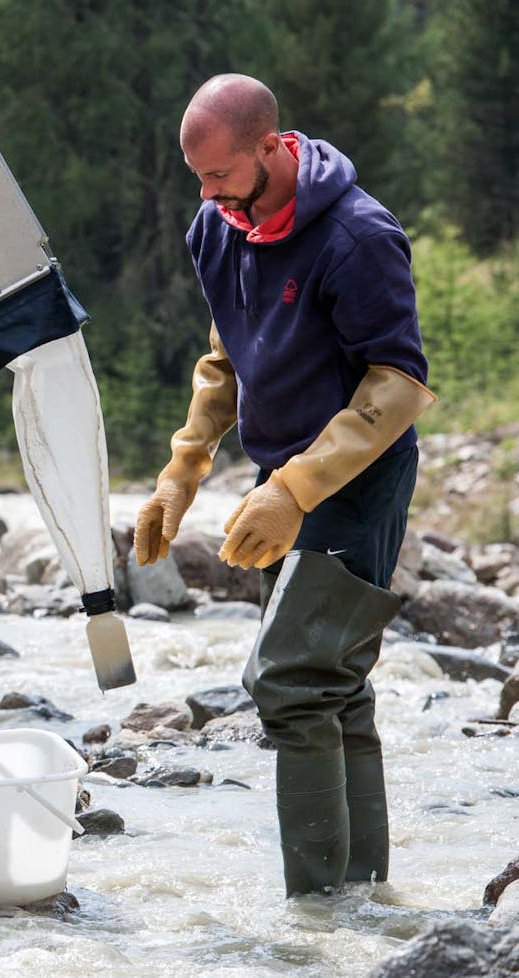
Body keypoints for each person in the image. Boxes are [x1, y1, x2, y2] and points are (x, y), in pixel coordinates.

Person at [134, 74, 435, 896]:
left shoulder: (358, 236)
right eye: (198, 176)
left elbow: (399, 384)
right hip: (281, 481)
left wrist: (295, 487)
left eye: (221, 173)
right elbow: (227, 356)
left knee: (290, 684)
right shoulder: (216, 226)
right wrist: (182, 471)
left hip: (358, 478)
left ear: (271, 146)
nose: (207, 193)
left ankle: (316, 916)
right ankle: (364, 899)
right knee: (333, 684)